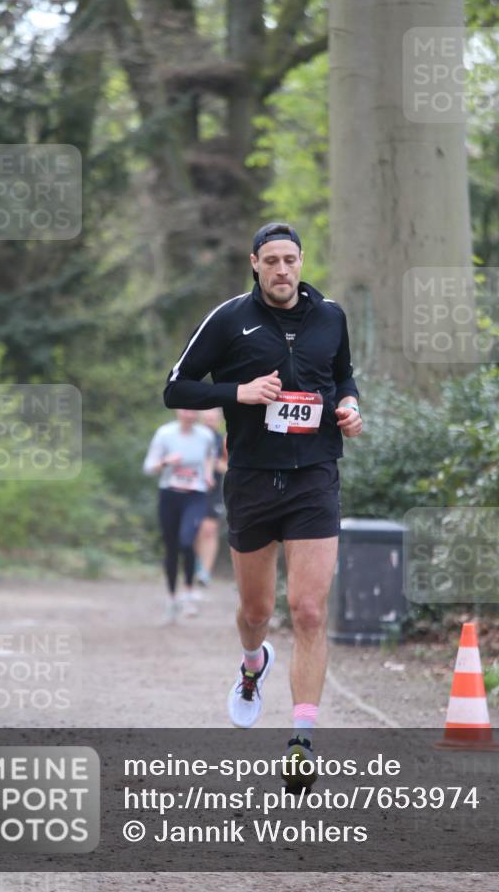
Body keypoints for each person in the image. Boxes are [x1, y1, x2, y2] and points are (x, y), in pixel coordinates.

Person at [163, 222, 362, 786]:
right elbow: (176, 387)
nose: (282, 269)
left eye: (290, 260)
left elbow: (343, 377)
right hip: (251, 479)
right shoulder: (229, 319)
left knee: (308, 610)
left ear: (301, 262)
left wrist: (350, 407)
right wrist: (239, 393)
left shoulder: (331, 317)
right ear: (254, 263)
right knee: (256, 613)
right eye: (271, 260)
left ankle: (301, 742)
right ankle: (253, 665)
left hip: (314, 478)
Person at [142, 408, 216, 622]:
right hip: (170, 494)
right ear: (177, 411)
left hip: (195, 495)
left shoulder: (205, 435)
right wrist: (166, 462)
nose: (189, 414)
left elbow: (209, 457)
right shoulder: (165, 433)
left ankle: (189, 592)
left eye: (193, 411)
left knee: (186, 540)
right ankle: (172, 597)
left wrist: (208, 475)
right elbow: (148, 467)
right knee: (171, 547)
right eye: (185, 410)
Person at [195, 408, 228, 587]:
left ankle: (205, 572)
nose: (209, 422)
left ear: (219, 421)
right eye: (206, 419)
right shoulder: (192, 437)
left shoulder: (222, 441)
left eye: (212, 419)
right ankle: (196, 565)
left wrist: (214, 464)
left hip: (213, 491)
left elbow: (228, 466)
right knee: (195, 529)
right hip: (192, 489)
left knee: (209, 529)